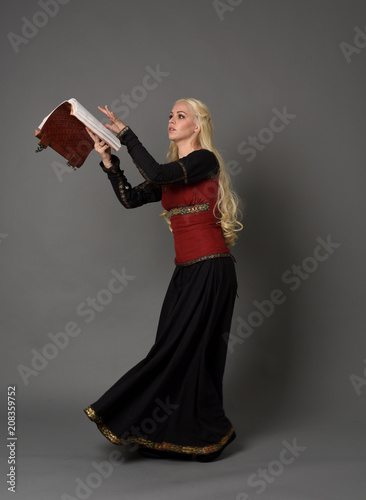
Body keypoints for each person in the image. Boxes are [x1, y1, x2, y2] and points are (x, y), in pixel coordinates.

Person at [84, 97, 243, 462]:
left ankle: (201, 435)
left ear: (197, 125)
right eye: (169, 114)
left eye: (181, 115)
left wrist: (126, 133)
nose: (172, 120)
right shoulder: (175, 172)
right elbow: (131, 198)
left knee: (185, 351)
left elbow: (154, 174)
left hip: (211, 268)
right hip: (186, 271)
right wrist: (110, 162)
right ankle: (180, 432)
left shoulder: (204, 161)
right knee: (177, 350)